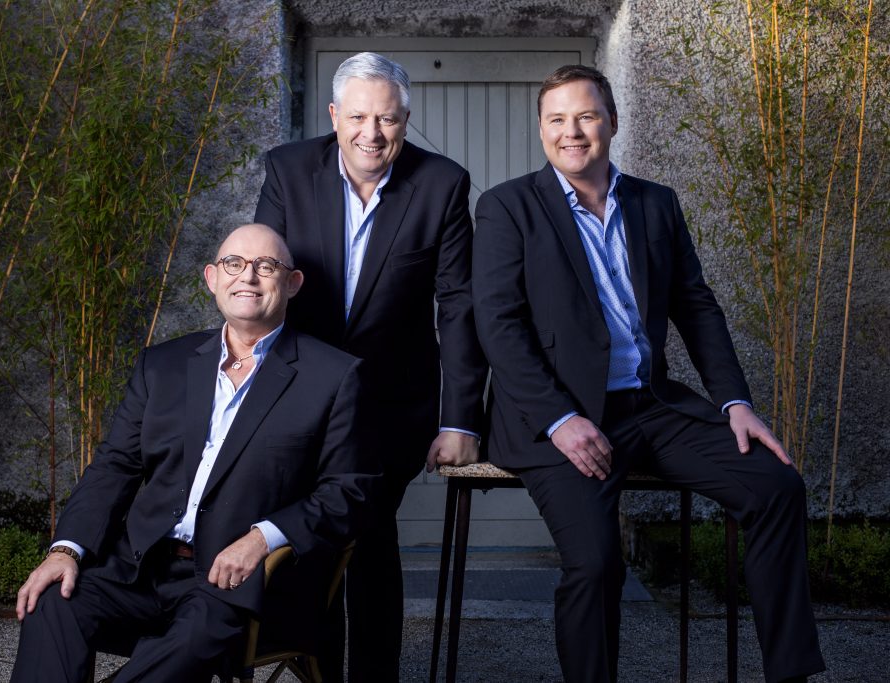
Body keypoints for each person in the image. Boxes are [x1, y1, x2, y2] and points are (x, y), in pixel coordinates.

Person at [472, 65, 825, 683]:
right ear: (541, 129)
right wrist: (559, 419)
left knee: (777, 487)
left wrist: (735, 403)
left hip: (650, 405)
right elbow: (499, 325)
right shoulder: (507, 207)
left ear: (611, 122)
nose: (571, 131)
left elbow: (696, 306)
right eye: (557, 119)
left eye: (586, 116)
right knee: (596, 563)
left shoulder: (654, 203)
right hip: (559, 416)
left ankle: (790, 674)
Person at [10, 224, 378, 683]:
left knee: (193, 639)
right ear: (212, 278)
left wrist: (262, 538)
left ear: (292, 283)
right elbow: (114, 466)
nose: (248, 277)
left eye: (266, 266)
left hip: (237, 585)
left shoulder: (333, 376)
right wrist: (66, 550)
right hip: (139, 568)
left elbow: (350, 492)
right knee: (53, 600)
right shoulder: (162, 364)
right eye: (234, 264)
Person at [254, 52, 487, 682]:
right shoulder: (287, 171)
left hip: (393, 403)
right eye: (358, 116)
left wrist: (460, 418)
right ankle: (322, 671)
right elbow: (262, 280)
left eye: (387, 119)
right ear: (334, 115)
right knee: (316, 542)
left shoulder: (441, 184)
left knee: (370, 535)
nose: (372, 133)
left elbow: (458, 305)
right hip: (300, 399)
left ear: (405, 120)